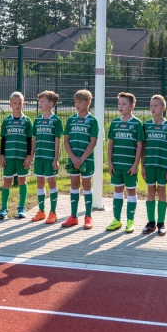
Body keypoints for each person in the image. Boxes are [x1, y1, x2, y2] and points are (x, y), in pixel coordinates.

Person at [106, 92, 144, 233]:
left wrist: (136, 165)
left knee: (131, 191)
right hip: (116, 165)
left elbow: (140, 146)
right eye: (119, 104)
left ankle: (130, 220)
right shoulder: (115, 122)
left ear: (132, 106)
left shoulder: (137, 123)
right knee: (117, 190)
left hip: (130, 167)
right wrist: (109, 162)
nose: (120, 106)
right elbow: (111, 143)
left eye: (124, 104)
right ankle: (117, 220)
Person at [61, 89, 98, 230]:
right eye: (76, 102)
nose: (77, 104)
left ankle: (88, 216)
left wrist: (81, 158)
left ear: (88, 102)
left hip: (86, 160)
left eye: (80, 102)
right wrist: (72, 157)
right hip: (73, 159)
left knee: (87, 186)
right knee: (74, 185)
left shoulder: (92, 121)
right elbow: (66, 141)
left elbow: (93, 142)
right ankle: (73, 216)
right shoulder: (71, 119)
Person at [25, 90, 62, 224]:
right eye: (39, 101)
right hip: (39, 157)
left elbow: (58, 140)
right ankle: (41, 211)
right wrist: (31, 155)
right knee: (40, 182)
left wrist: (56, 158)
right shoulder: (38, 119)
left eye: (43, 101)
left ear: (51, 104)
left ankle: (53, 212)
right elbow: (34, 139)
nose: (40, 103)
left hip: (50, 157)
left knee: (51, 182)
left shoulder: (56, 120)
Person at [141, 94, 167, 237]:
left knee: (161, 191)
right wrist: (142, 166)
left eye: (156, 105)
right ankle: (151, 222)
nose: (153, 108)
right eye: (151, 106)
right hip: (149, 164)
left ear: (163, 108)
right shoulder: (146, 125)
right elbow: (142, 147)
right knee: (150, 191)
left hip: (163, 165)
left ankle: (161, 223)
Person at [0, 91, 33, 220]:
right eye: (15, 103)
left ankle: (21, 208)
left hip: (22, 157)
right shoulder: (6, 121)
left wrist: (29, 156)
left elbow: (30, 140)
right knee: (7, 182)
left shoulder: (27, 121)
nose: (17, 105)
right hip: (9, 157)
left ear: (23, 104)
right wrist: (2, 156)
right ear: (10, 104)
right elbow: (3, 139)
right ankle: (3, 209)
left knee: (22, 181)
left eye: (19, 103)